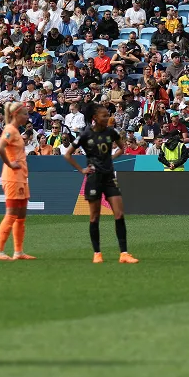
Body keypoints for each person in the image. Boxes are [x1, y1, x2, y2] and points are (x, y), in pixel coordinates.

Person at [64, 104, 138, 264]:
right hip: (94, 178)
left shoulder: (111, 132)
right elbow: (68, 154)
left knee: (119, 213)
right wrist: (81, 169)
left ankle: (124, 253)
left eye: (107, 115)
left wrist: (110, 159)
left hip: (109, 177)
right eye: (104, 116)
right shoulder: (85, 135)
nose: (107, 118)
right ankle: (97, 253)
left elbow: (121, 148)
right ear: (95, 118)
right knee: (94, 216)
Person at [0, 101, 35, 261]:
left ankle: (18, 252)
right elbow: (0, 148)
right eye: (25, 113)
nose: (27, 116)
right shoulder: (10, 130)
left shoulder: (15, 131)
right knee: (11, 213)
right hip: (13, 177)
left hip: (21, 177)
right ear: (17, 114)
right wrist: (10, 163)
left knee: (21, 214)